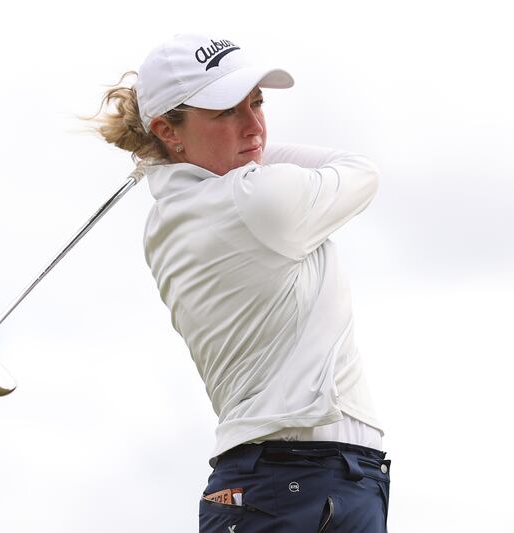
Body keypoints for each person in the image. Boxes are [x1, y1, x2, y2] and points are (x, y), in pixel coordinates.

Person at [93, 33, 390, 533]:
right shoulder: (257, 201)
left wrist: (174, 155)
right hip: (298, 484)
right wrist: (247, 155)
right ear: (169, 129)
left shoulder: (169, 217)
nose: (254, 127)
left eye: (256, 103)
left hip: (301, 483)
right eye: (227, 111)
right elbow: (361, 171)